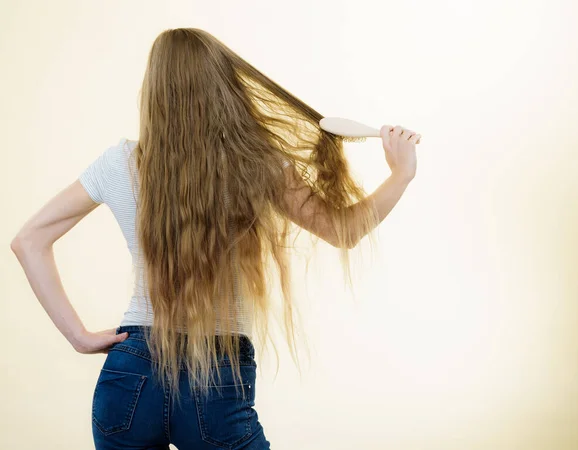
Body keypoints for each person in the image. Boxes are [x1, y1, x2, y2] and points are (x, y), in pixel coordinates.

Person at [10, 27, 420, 450]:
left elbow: (29, 240)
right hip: (217, 375)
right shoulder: (259, 164)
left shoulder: (119, 163)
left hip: (129, 374)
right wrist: (401, 174)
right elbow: (343, 230)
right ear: (224, 85)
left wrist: (78, 336)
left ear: (154, 92)